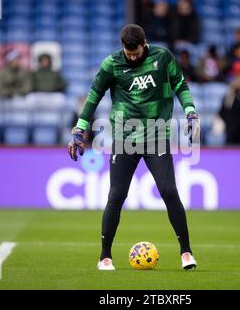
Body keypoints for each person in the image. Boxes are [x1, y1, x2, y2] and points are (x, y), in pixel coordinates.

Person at [67, 24, 199, 271]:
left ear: (144, 43)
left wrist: (191, 112)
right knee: (116, 196)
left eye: (136, 53)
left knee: (169, 191)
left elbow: (180, 85)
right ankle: (105, 257)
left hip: (156, 135)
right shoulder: (112, 64)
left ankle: (186, 253)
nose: (133, 57)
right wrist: (78, 129)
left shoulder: (163, 57)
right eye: (129, 55)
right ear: (122, 48)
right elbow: (93, 95)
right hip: (124, 138)